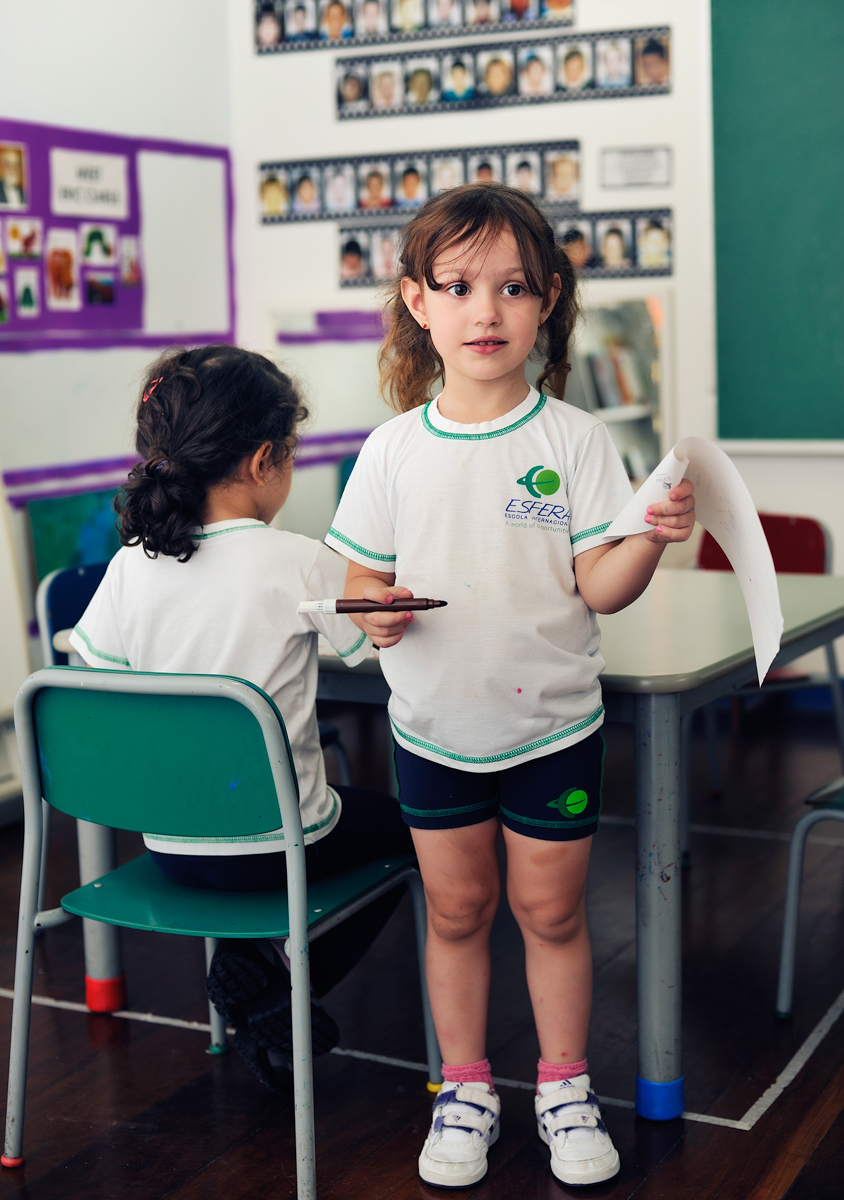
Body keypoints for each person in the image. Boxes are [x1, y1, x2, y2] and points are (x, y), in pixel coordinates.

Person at [325, 184, 695, 1188]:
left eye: (512, 287)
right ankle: (465, 1090)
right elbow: (359, 582)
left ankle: (565, 1089)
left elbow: (599, 586)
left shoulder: (573, 441)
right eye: (457, 287)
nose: (483, 310)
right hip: (434, 730)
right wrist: (377, 608)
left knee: (552, 914)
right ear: (417, 302)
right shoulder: (391, 449)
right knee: (453, 913)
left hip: (554, 734)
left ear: (547, 302)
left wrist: (646, 541)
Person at [70, 346, 413, 1095]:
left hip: (166, 842)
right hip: (279, 843)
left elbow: (89, 677)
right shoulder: (292, 559)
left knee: (226, 794)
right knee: (412, 832)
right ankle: (282, 971)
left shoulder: (131, 564)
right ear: (266, 461)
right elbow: (372, 641)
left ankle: (252, 958)